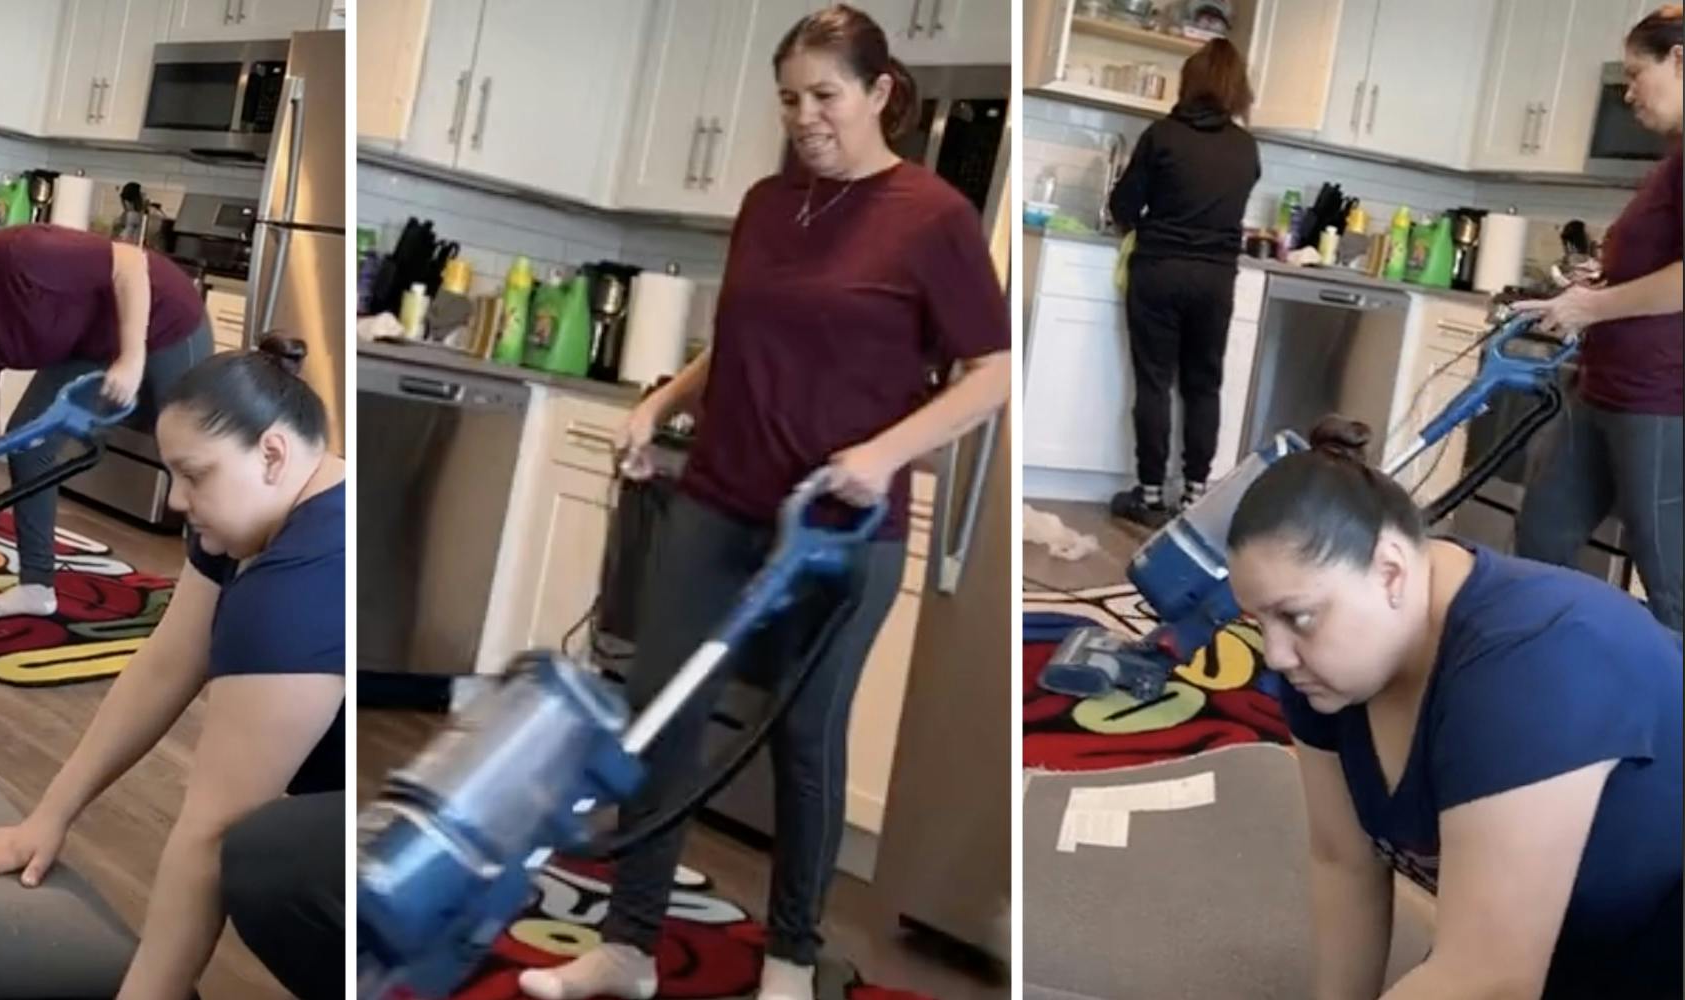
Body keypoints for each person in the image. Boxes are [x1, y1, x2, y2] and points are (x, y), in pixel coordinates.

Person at [517, 7, 1010, 1000]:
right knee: (660, 712)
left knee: (803, 740)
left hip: (840, 531)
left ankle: (789, 959)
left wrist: (882, 451)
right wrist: (660, 400)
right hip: (718, 497)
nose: (804, 117)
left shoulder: (933, 216)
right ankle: (627, 945)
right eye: (788, 98)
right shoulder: (763, 202)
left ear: (878, 93)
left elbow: (992, 372)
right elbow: (740, 334)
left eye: (824, 95)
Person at [0, 336, 346, 1000]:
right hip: (370, 808)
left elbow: (211, 828)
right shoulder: (253, 519)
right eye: (173, 476)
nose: (178, 502)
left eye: (196, 474)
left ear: (272, 454)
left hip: (414, 844)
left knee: (267, 863)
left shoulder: (297, 586)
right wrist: (50, 816)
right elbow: (166, 664)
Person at [1227, 416, 1682, 1000]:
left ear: (1390, 571)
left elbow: (1491, 978)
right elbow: (1344, 861)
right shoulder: (1322, 664)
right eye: (1259, 621)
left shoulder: (1531, 661)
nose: (1275, 654)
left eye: (1296, 616)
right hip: (1569, 934)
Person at [0, 221, 212, 619]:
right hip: (95, 344)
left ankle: (209, 599)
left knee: (191, 457)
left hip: (164, 318)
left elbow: (130, 264)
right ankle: (36, 587)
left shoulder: (15, 256)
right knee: (27, 442)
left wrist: (132, 357)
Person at [1513, 5, 1683, 633]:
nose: (1628, 89)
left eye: (1638, 72)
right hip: (1602, 391)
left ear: (1681, 61)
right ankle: (1537, 681)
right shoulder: (1670, 163)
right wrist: (1603, 283)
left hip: (1660, 400)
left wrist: (1593, 305)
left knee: (1670, 585)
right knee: (1539, 543)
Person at [1104, 38, 1262, 528]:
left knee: (1154, 382)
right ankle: (1195, 495)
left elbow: (1124, 208)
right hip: (1215, 278)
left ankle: (1150, 496)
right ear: (1238, 89)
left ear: (1189, 81)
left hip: (1159, 271)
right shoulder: (1245, 147)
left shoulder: (1162, 136)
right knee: (1203, 386)